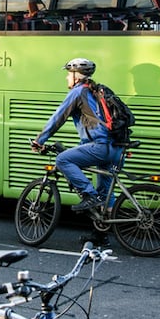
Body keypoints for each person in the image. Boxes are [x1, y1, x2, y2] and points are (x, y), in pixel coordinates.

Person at [30, 58, 124, 213]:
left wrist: (39, 140)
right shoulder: (98, 91)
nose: (67, 78)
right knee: (105, 197)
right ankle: (100, 235)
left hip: (100, 147)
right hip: (116, 148)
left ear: (76, 76)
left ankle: (88, 194)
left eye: (68, 74)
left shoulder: (78, 92)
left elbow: (57, 118)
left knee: (62, 159)